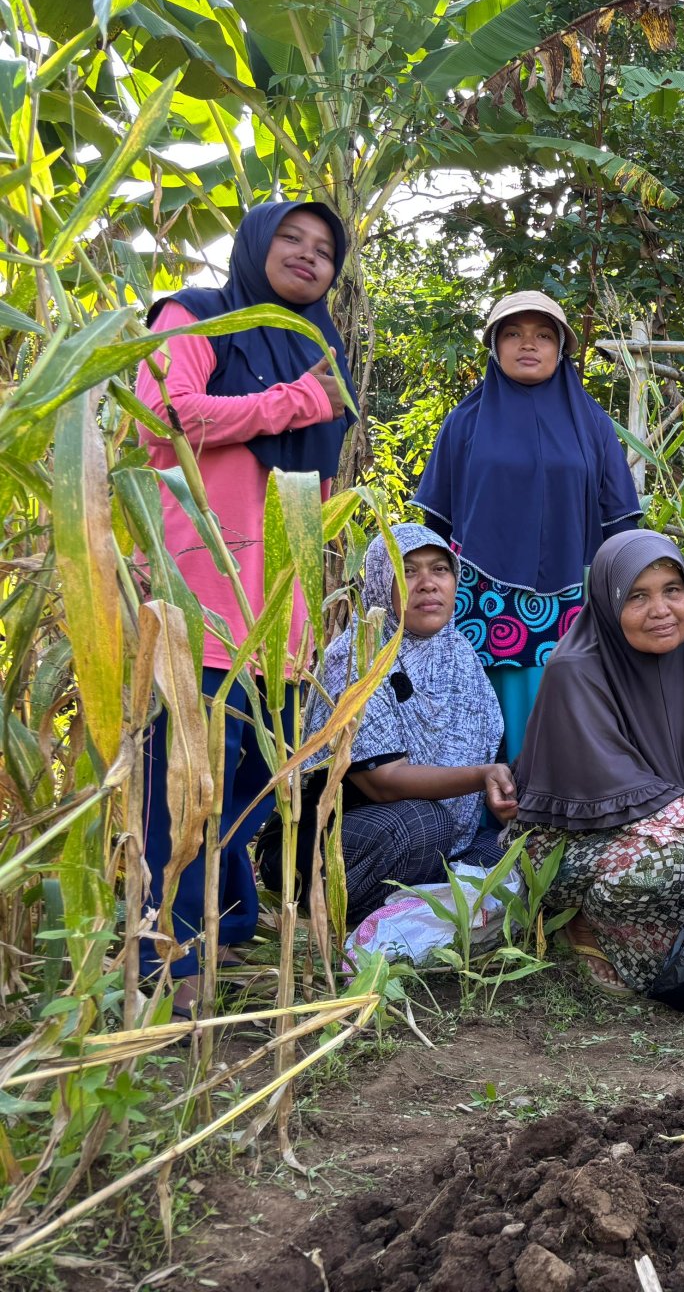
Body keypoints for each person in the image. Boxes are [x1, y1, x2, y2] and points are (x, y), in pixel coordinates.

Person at [135, 200, 357, 1004]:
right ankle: (169, 961)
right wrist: (296, 400)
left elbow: (312, 497)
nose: (308, 255)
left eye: (324, 249)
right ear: (255, 244)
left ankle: (222, 931)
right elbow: (165, 415)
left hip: (278, 619)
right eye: (291, 238)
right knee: (184, 790)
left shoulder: (315, 349)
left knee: (254, 782)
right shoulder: (197, 316)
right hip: (198, 603)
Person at [511, 531, 684, 996]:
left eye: (672, 590)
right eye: (637, 596)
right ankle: (582, 924)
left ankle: (670, 945)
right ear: (608, 602)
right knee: (678, 872)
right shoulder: (574, 669)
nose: (660, 610)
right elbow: (616, 786)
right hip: (573, 842)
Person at [413, 290, 641, 759]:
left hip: (572, 596)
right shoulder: (464, 422)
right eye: (513, 334)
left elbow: (620, 524)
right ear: (495, 347)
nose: (528, 344)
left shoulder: (592, 424)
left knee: (564, 710)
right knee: (477, 718)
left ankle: (552, 800)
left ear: (561, 349)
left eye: (543, 335)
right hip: (479, 598)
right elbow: (435, 524)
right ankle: (477, 797)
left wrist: (625, 598)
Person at [287, 525, 518, 931]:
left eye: (440, 569)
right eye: (407, 571)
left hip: (446, 839)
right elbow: (383, 783)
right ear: (380, 581)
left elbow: (488, 749)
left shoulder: (460, 654)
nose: (428, 584)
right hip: (339, 843)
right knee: (424, 825)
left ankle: (421, 907)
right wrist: (482, 777)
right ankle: (358, 917)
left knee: (515, 852)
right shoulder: (358, 655)